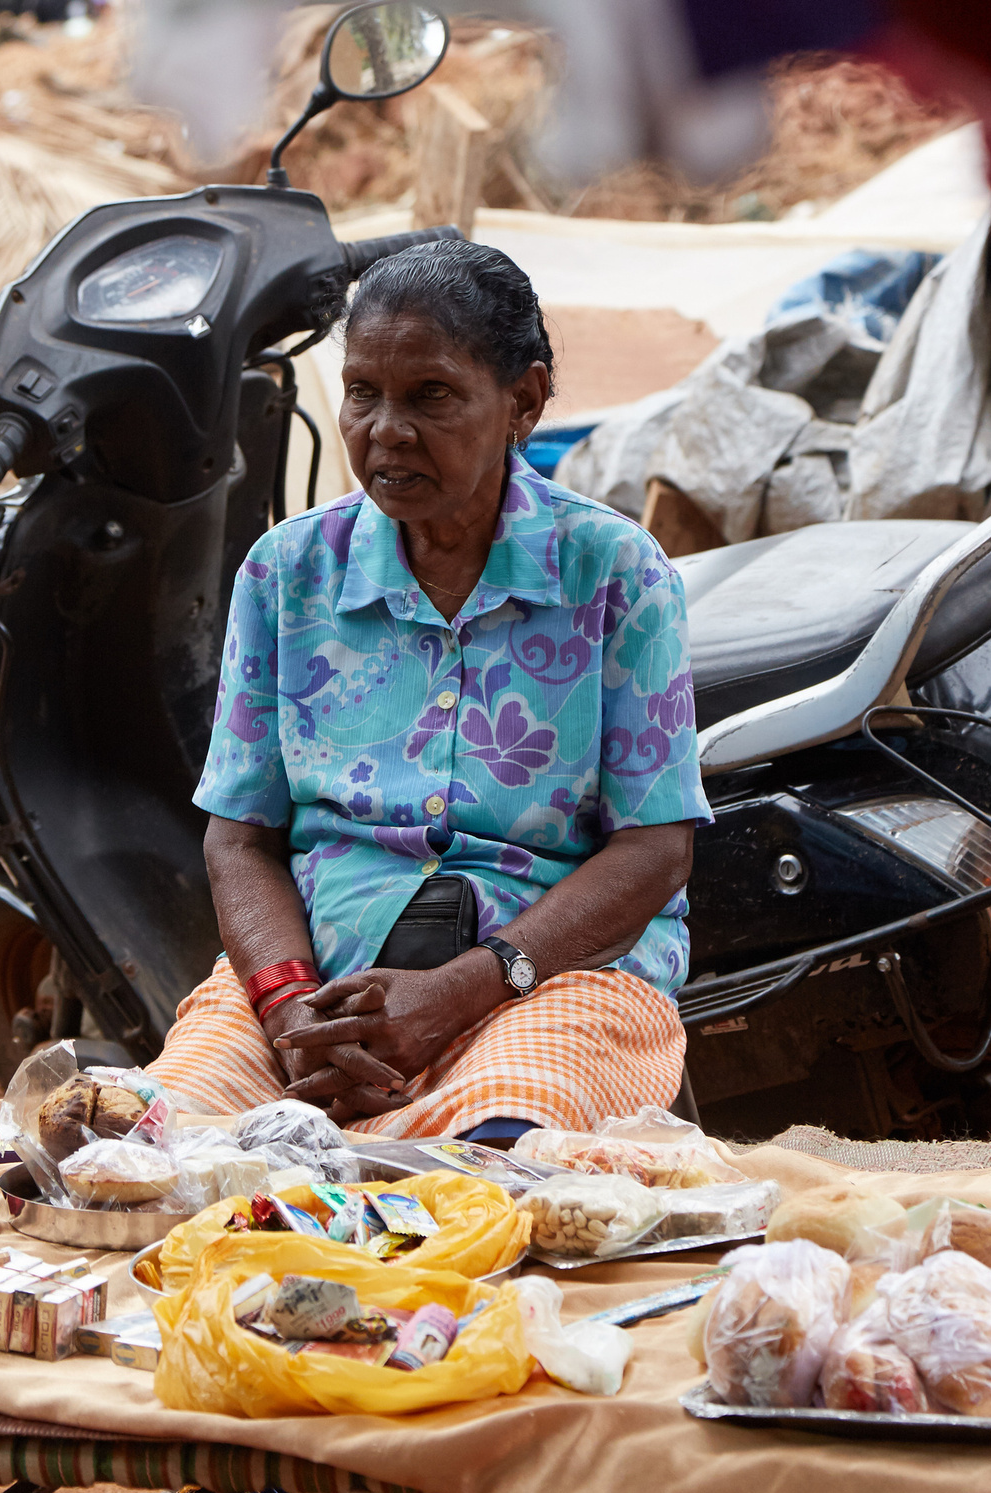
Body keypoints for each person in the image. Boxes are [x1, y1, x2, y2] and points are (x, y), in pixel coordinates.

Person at [145, 239, 709, 1144]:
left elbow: (655, 850)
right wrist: (290, 1012)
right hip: (319, 989)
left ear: (523, 401)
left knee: (496, 1163)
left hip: (548, 982)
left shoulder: (614, 572)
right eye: (362, 392)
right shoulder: (286, 574)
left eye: (431, 395)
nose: (386, 429)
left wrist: (462, 990)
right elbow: (239, 838)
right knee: (156, 1154)